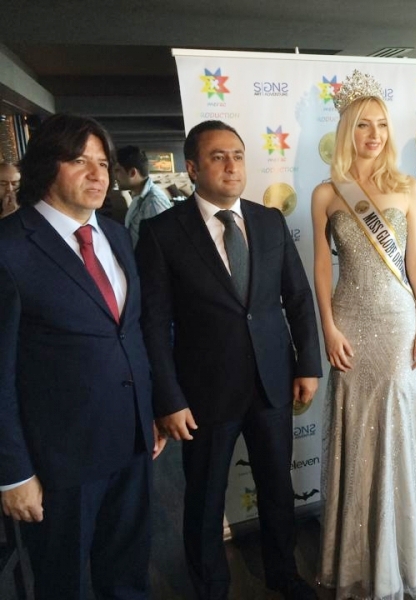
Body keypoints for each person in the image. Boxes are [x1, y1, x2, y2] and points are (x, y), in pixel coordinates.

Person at [136, 120, 322, 600]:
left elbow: (298, 298)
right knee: (204, 498)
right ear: (193, 168)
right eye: (218, 157)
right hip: (203, 392)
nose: (231, 166)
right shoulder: (162, 233)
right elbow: (152, 324)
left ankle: (283, 573)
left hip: (272, 381)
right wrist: (168, 398)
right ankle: (211, 587)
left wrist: (308, 363)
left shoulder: (268, 221)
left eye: (237, 155)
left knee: (277, 487)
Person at [0, 114, 164, 599]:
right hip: (58, 462)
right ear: (46, 167)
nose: (98, 175)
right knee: (63, 582)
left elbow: (130, 333)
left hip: (131, 442)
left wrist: (150, 411)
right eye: (79, 161)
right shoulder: (10, 248)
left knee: (128, 573)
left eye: (103, 163)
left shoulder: (115, 234)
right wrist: (13, 473)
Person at [312, 70, 416, 600]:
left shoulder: (408, 188)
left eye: (382, 124)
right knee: (354, 428)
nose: (374, 134)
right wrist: (327, 326)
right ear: (347, 130)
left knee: (392, 429)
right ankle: (357, 554)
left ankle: (394, 555)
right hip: (349, 321)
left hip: (396, 321)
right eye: (363, 125)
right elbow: (322, 266)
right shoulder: (325, 193)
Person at [114, 145, 172, 246]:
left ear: (132, 172)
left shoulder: (153, 202)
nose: (115, 176)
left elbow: (162, 245)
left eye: (117, 170)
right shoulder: (139, 197)